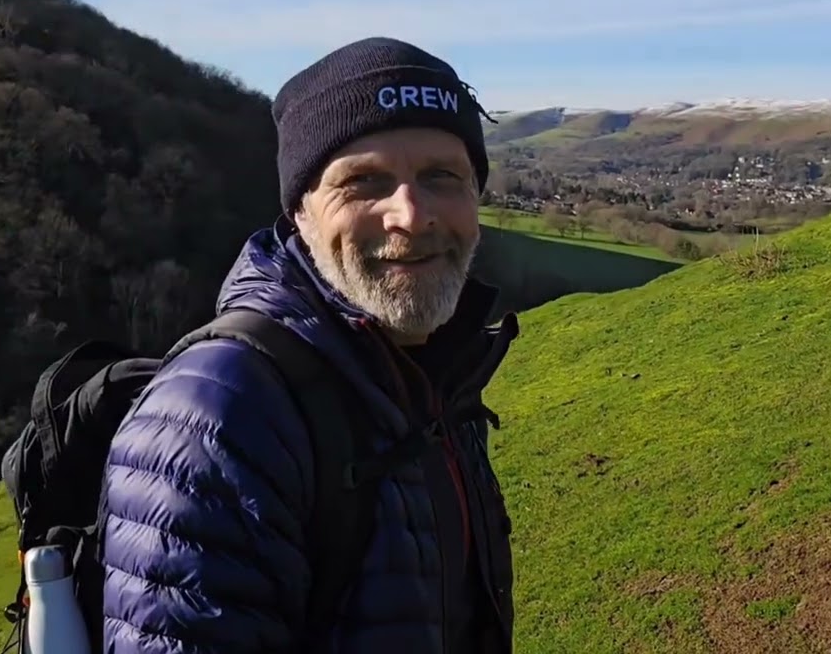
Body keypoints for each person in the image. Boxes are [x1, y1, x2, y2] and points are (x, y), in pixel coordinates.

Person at [99, 36, 519, 653]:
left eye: (442, 176)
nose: (411, 215)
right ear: (300, 212)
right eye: (364, 182)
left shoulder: (431, 370)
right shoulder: (223, 416)